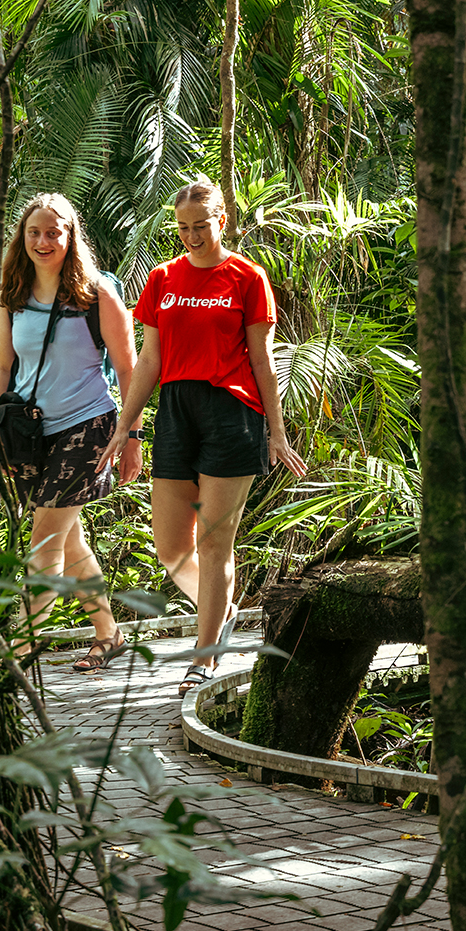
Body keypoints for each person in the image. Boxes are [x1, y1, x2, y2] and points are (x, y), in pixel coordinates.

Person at [97, 179, 307, 695]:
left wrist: (276, 432)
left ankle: (205, 653)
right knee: (170, 547)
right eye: (184, 227)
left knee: (215, 543)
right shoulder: (162, 278)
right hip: (175, 410)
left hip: (232, 413)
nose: (192, 236)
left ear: (222, 220)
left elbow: (263, 360)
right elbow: (149, 359)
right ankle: (224, 609)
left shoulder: (247, 277)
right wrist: (125, 426)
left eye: (202, 225)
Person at [0, 192, 142, 671]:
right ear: (23, 237)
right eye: (34, 232)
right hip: (32, 434)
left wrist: (131, 440)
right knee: (67, 536)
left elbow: (128, 370)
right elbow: (4, 369)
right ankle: (109, 634)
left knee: (44, 539)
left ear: (70, 236)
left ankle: (18, 651)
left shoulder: (97, 294)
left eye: (53, 232)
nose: (43, 241)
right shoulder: (13, 293)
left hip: (89, 426)